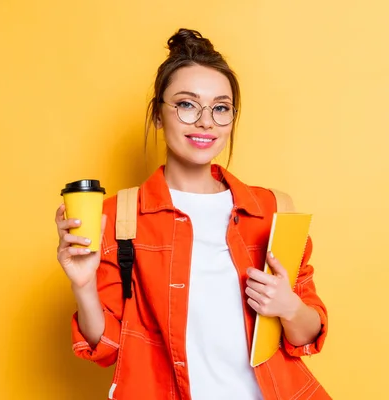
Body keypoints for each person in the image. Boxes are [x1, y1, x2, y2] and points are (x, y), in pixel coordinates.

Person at [54, 28, 329, 400]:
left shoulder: (271, 209)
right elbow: (107, 349)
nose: (205, 122)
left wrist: (288, 306)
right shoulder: (119, 215)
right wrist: (83, 285)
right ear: (157, 115)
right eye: (186, 104)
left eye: (221, 108)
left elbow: (307, 336)